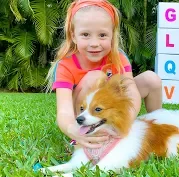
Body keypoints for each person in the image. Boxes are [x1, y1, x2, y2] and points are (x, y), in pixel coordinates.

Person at [45, 0, 162, 149]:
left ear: (112, 36)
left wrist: (127, 121)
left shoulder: (118, 57)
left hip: (108, 110)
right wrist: (73, 130)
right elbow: (64, 110)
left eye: (102, 35)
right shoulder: (66, 64)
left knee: (151, 79)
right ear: (73, 36)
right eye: (85, 34)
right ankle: (84, 136)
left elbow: (131, 90)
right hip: (83, 116)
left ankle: (159, 124)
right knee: (96, 78)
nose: (94, 43)